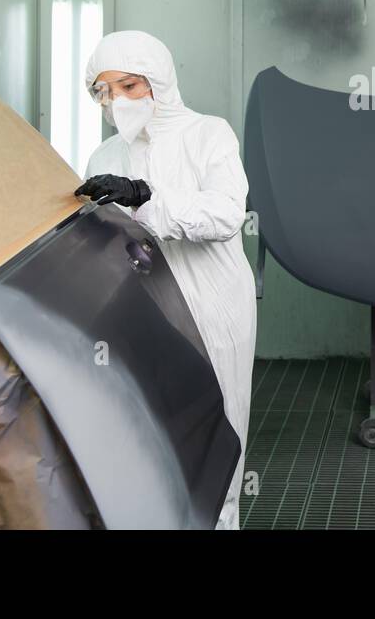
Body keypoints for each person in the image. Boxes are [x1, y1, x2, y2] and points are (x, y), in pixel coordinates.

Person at [74, 30, 256, 530]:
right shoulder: (104, 156)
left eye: (130, 86)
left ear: (160, 82)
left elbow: (224, 215)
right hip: (141, 305)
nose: (118, 102)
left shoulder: (208, 134)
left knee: (216, 424)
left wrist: (144, 196)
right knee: (144, 426)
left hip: (211, 303)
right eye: (105, 92)